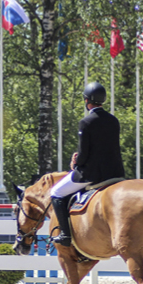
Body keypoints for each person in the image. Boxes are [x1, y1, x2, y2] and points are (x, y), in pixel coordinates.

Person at [51, 81, 125, 246]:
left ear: (87, 100)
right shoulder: (114, 120)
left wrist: (76, 164)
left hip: (93, 174)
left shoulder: (86, 122)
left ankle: (65, 235)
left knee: (56, 192)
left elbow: (84, 153)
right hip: (115, 172)